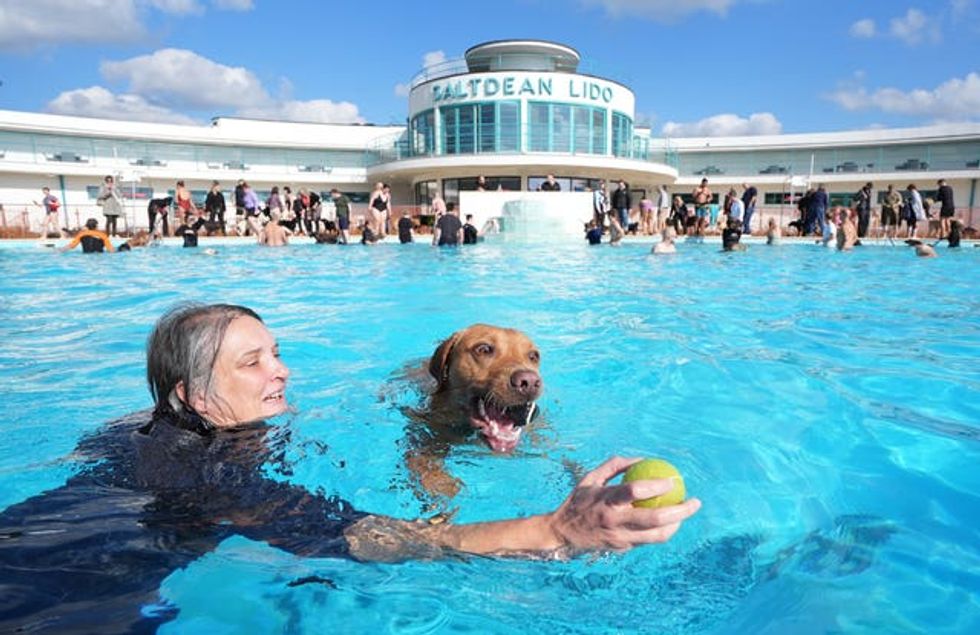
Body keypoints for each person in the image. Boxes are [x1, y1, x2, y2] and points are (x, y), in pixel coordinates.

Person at [0, 303, 699, 632]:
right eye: (255, 363)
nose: (283, 372)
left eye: (276, 351)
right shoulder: (216, 474)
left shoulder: (134, 433)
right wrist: (560, 527)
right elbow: (375, 539)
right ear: (192, 396)